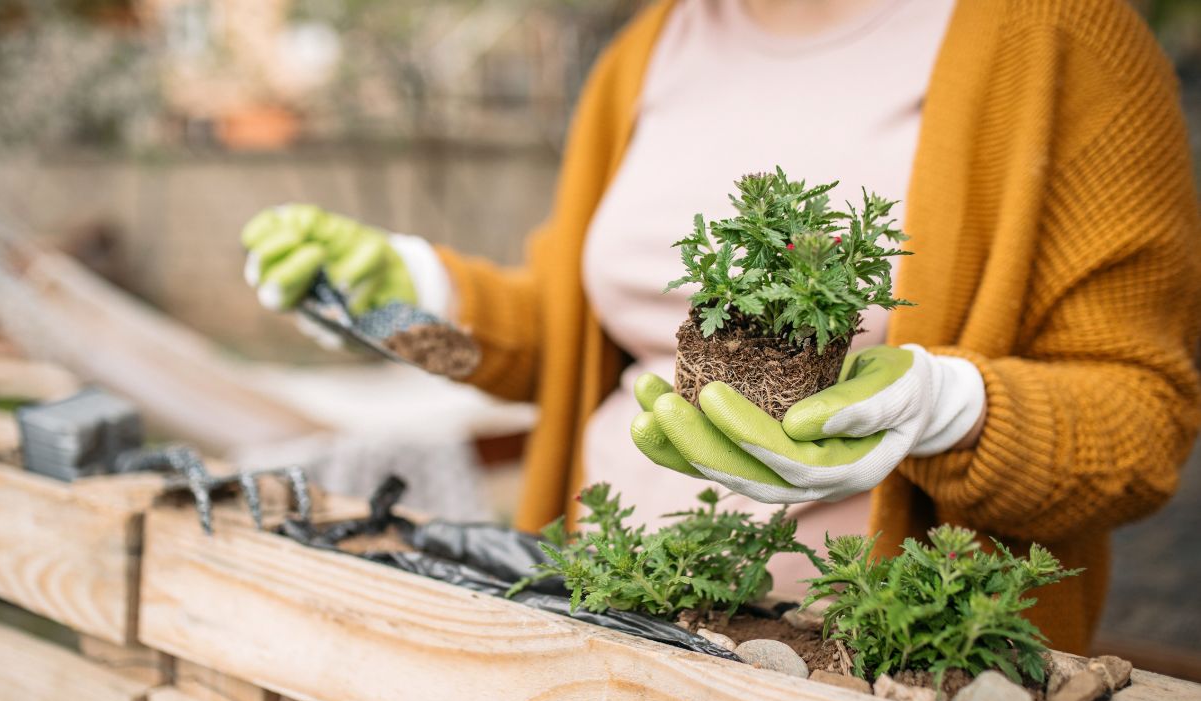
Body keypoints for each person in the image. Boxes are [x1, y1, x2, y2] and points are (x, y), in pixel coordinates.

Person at [240, 0, 1201, 656]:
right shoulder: (652, 46)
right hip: (604, 646)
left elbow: (1143, 422)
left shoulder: (1061, 36)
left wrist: (948, 412)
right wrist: (405, 305)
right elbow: (562, 347)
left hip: (881, 691)